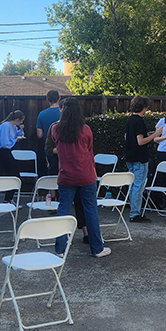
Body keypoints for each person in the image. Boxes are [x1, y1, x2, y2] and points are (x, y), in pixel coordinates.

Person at [48, 97, 110, 258]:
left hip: (66, 176)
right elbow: (89, 151)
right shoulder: (86, 129)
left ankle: (60, 250)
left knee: (63, 211)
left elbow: (51, 148)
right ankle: (97, 248)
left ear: (63, 110)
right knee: (91, 211)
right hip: (86, 175)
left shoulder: (55, 129)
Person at [45, 101, 88, 244]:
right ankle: (62, 240)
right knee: (64, 206)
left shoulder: (82, 128)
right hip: (62, 167)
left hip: (78, 169)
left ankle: (85, 232)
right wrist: (64, 150)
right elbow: (49, 148)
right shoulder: (55, 127)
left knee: (80, 203)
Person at [124, 96, 163, 223]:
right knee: (138, 187)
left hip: (129, 157)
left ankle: (133, 212)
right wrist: (156, 135)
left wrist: (148, 135)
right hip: (140, 158)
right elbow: (140, 142)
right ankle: (135, 213)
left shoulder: (130, 119)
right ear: (144, 107)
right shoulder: (139, 121)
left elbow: (127, 137)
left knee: (133, 185)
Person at [0, 110, 25, 203]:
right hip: (3, 151)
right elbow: (5, 143)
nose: (21, 123)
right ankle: (8, 199)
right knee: (13, 175)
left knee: (14, 174)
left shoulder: (13, 126)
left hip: (7, 152)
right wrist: (15, 140)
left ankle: (9, 198)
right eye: (21, 121)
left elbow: (18, 135)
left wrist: (21, 130)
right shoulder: (5, 126)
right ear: (17, 119)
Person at [36, 90, 61, 177]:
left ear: (47, 100)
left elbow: (39, 135)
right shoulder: (64, 113)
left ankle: (52, 191)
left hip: (50, 149)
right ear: (59, 98)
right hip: (65, 148)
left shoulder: (42, 114)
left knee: (52, 174)